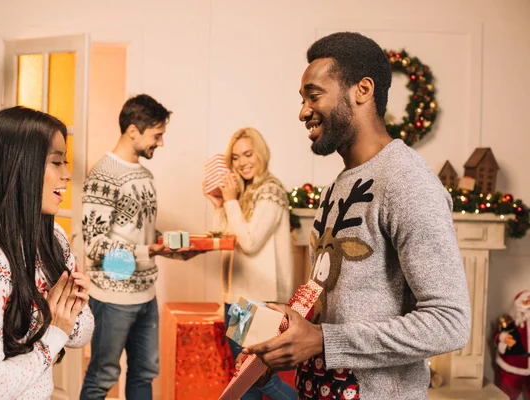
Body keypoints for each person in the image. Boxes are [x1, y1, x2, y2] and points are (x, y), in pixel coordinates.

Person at [244, 32, 471, 399]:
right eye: (302, 99)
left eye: (314, 95)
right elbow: (335, 303)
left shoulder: (406, 180)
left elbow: (450, 323)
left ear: (362, 91)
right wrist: (290, 333)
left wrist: (322, 340)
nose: (302, 111)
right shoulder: (337, 186)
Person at [0, 106, 94, 400]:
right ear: (21, 165)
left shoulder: (53, 239)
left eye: (66, 162)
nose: (67, 174)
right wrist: (55, 330)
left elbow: (82, 333)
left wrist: (66, 314)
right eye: (56, 162)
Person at [81, 94, 198, 400]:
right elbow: (95, 244)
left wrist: (173, 248)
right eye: (157, 135)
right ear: (133, 130)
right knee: (102, 377)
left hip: (146, 294)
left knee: (144, 373)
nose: (160, 143)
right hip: (112, 296)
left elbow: (139, 231)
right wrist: (149, 252)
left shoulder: (144, 175)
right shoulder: (103, 175)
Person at [204, 127, 297, 400]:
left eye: (248, 154)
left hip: (256, 301)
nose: (242, 162)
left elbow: (250, 242)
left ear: (261, 153)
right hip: (238, 298)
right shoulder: (246, 192)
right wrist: (220, 205)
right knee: (246, 382)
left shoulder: (270, 191)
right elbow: (223, 241)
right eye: (235, 157)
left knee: (255, 378)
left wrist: (231, 201)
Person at [494, 290, 530, 399]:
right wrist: (504, 338)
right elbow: (497, 336)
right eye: (526, 302)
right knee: (507, 394)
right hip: (513, 366)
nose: (528, 306)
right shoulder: (509, 321)